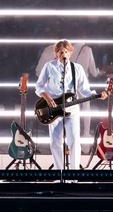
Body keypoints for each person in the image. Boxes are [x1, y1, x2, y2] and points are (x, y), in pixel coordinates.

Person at [35, 40, 107, 170]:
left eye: (66, 51)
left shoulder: (77, 68)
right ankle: (59, 172)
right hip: (53, 108)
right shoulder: (49, 66)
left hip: (72, 108)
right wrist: (47, 97)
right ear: (56, 53)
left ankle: (73, 174)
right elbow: (38, 86)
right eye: (60, 52)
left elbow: (84, 90)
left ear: (70, 53)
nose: (63, 54)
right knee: (55, 142)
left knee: (74, 142)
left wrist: (97, 95)